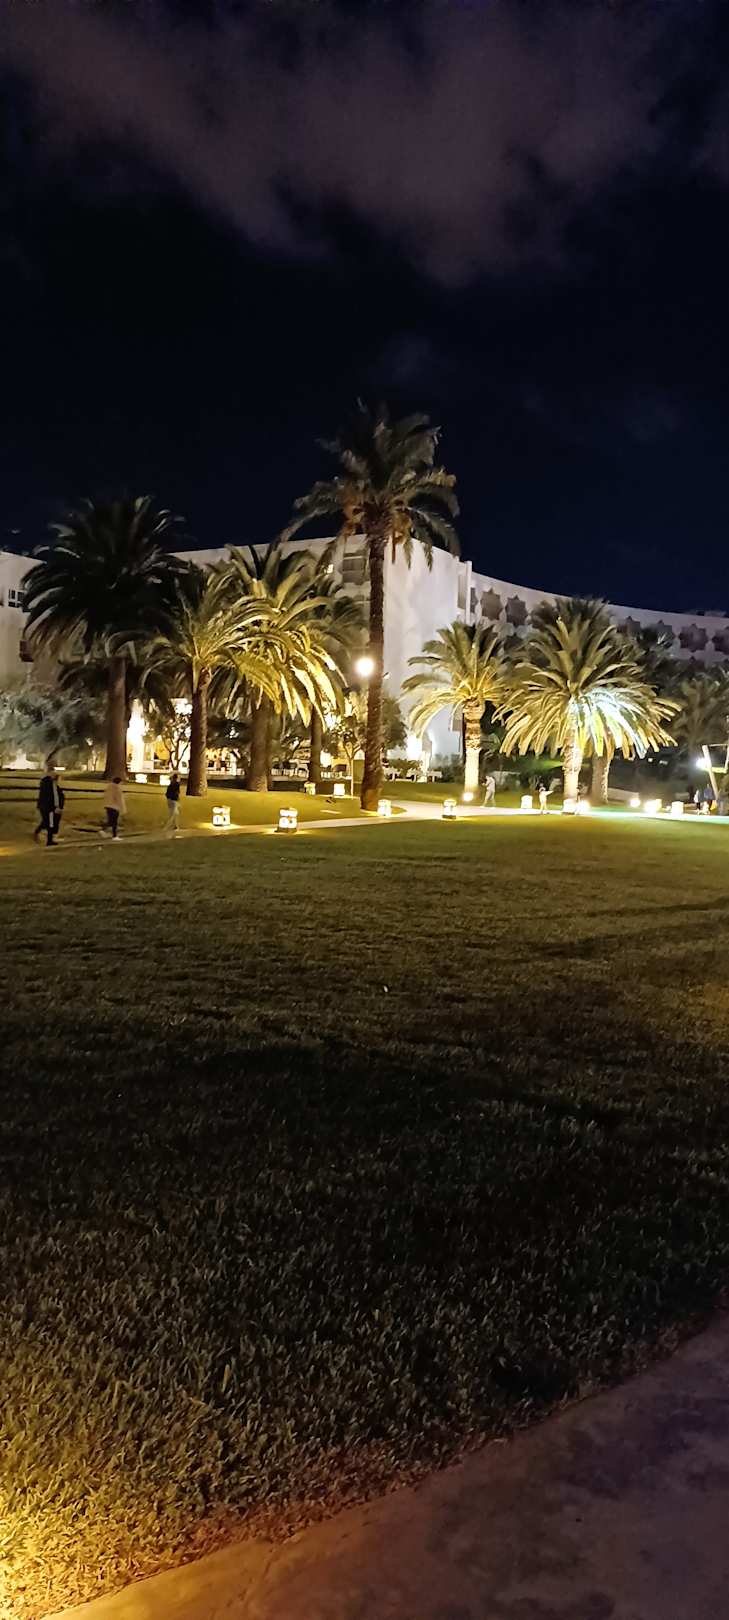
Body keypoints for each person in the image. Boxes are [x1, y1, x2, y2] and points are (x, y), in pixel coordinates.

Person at [34, 766, 61, 847]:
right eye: (53, 772)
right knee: (48, 823)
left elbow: (55, 795)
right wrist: (54, 806)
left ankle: (48, 839)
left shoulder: (51, 782)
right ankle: (47, 839)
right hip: (46, 806)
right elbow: (50, 796)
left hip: (47, 806)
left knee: (48, 822)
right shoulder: (47, 782)